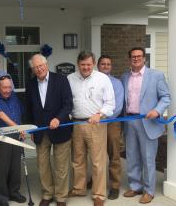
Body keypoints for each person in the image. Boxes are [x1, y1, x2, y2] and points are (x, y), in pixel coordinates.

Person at [121, 47, 170, 204]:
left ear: (144, 58)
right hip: (129, 121)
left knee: (148, 158)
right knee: (132, 156)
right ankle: (135, 186)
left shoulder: (156, 75)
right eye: (133, 56)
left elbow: (166, 97)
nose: (136, 58)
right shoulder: (124, 77)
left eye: (139, 56)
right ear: (129, 59)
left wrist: (157, 110)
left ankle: (149, 190)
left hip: (148, 122)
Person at [67, 51, 115, 206]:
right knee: (77, 160)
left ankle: (99, 194)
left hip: (96, 124)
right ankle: (79, 188)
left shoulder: (103, 79)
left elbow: (110, 103)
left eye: (88, 64)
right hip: (76, 124)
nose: (85, 67)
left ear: (93, 63)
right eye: (82, 64)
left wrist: (100, 114)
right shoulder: (70, 79)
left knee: (97, 161)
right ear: (78, 64)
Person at [25, 54, 73, 206]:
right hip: (40, 131)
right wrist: (32, 130)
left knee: (61, 166)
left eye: (41, 65)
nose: (39, 69)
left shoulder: (61, 80)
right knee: (42, 165)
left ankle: (61, 197)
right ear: (32, 69)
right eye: (35, 67)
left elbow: (68, 104)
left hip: (60, 129)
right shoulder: (31, 84)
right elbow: (28, 109)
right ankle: (47, 194)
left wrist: (58, 118)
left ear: (46, 65)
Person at [0, 75, 26, 206]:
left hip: (16, 135)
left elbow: (18, 112)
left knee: (15, 166)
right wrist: (18, 127)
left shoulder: (13, 95)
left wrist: (21, 129)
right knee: (1, 168)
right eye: (4, 87)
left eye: (10, 87)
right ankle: (2, 196)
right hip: (0, 136)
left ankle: (14, 192)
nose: (7, 90)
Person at [96, 55, 124, 200]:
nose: (106, 66)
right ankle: (96, 181)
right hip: (94, 123)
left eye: (108, 64)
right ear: (98, 66)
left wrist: (101, 116)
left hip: (111, 122)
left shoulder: (117, 83)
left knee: (114, 155)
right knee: (96, 156)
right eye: (103, 64)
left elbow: (118, 106)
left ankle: (114, 186)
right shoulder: (92, 80)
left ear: (111, 66)